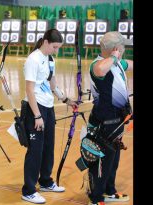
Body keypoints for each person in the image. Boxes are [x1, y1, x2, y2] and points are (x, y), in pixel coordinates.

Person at [21, 28, 77, 204]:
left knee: (48, 147)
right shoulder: (33, 59)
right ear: (45, 42)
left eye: (58, 47)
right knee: (35, 151)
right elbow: (29, 89)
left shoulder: (50, 58)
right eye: (54, 47)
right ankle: (28, 190)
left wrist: (66, 99)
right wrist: (37, 116)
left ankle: (45, 181)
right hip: (34, 109)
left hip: (48, 107)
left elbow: (52, 83)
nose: (56, 51)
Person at [86, 31, 133, 205]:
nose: (124, 50)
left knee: (113, 161)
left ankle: (108, 191)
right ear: (116, 49)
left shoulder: (116, 63)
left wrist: (116, 59)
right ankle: (96, 198)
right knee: (102, 162)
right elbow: (99, 70)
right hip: (104, 124)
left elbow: (128, 64)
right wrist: (114, 57)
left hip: (117, 121)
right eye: (122, 47)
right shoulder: (97, 64)